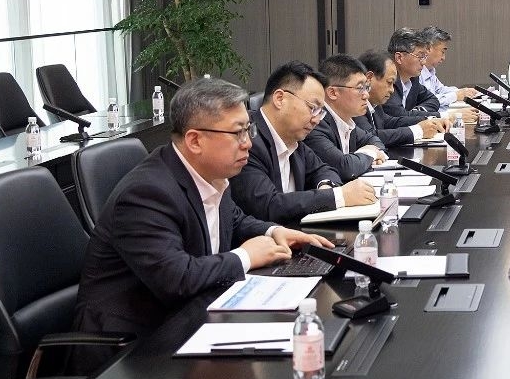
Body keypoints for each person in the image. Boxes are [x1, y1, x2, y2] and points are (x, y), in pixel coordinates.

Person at [74, 78, 332, 336]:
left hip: (192, 315)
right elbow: (176, 278)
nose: (248, 143)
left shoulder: (211, 172)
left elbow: (234, 220)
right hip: (137, 341)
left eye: (248, 130)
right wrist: (244, 256)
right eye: (237, 133)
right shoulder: (145, 194)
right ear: (195, 141)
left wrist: (274, 231)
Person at [232, 61, 378, 226]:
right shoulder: (247, 140)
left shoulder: (294, 140)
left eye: (320, 112)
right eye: (312, 107)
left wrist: (326, 186)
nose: (316, 120)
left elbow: (324, 170)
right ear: (280, 99)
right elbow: (268, 206)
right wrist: (338, 196)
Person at [305, 54, 391, 181]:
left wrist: (367, 156)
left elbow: (374, 140)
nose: (366, 95)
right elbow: (344, 168)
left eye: (366, 87)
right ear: (333, 93)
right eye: (360, 88)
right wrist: (371, 154)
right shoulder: (316, 123)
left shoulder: (347, 121)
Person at [358, 49, 448, 139]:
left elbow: (389, 122)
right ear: (369, 78)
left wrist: (430, 120)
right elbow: (369, 137)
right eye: (389, 82)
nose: (392, 90)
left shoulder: (374, 104)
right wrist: (418, 131)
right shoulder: (355, 103)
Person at [384, 27, 443, 118]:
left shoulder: (413, 79)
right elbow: (399, 115)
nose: (423, 62)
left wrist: (416, 111)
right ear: (399, 58)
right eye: (420, 56)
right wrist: (441, 116)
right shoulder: (387, 81)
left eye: (425, 57)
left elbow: (433, 100)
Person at [417, 25, 480, 110]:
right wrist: (456, 95)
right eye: (442, 52)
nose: (443, 58)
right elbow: (427, 101)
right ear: (428, 48)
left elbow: (440, 90)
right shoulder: (415, 72)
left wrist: (463, 91)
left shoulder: (430, 70)